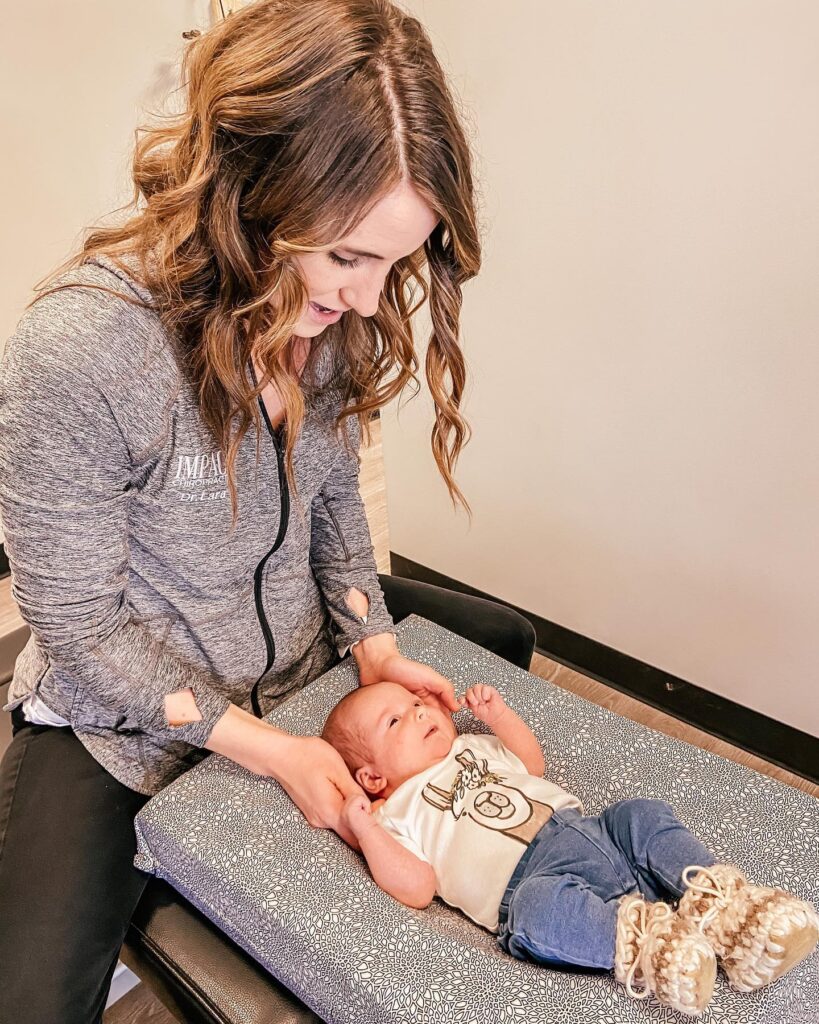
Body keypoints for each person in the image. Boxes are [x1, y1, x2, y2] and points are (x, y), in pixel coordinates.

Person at [0, 4, 540, 1022]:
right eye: (347, 257)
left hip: (304, 671)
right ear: (245, 197)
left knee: (505, 640)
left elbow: (332, 494)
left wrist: (372, 646)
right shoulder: (80, 350)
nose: (374, 301)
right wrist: (269, 747)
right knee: (27, 998)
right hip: (123, 718)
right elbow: (76, 630)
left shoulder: (326, 324)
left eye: (395, 261)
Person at [324, 680, 819, 1018]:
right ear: (372, 776)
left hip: (590, 828)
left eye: (416, 704)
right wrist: (365, 831)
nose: (417, 712)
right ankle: (651, 945)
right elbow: (417, 886)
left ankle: (727, 911)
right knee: (536, 913)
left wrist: (497, 716)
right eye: (395, 722)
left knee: (639, 814)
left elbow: (531, 763)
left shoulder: (470, 748)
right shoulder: (396, 812)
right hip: (531, 883)